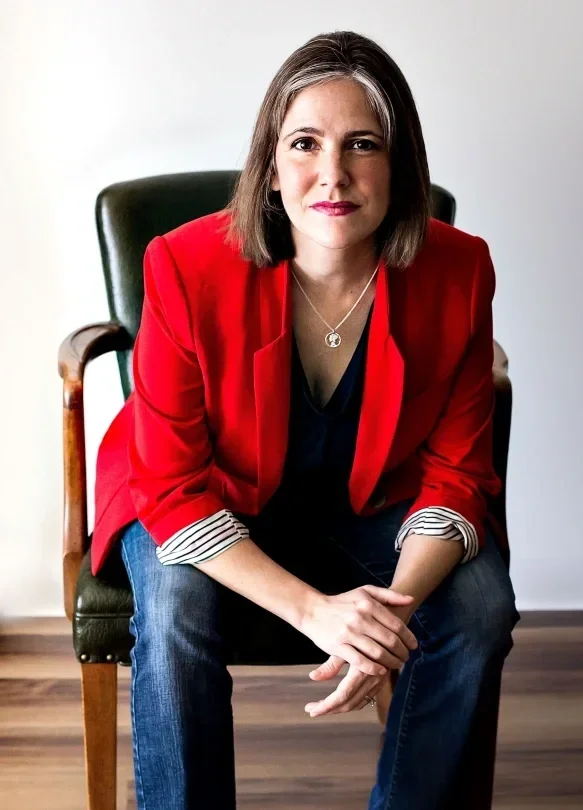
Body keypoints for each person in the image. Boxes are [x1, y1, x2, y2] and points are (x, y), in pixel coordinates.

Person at [91, 29, 520, 810]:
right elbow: (173, 486)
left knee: (481, 606)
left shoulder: (459, 270)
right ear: (270, 164)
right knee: (176, 609)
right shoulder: (185, 266)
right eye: (305, 143)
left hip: (377, 496)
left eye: (363, 144)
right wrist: (317, 612)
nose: (333, 174)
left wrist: (385, 615)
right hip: (205, 490)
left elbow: (457, 472)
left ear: (400, 164)